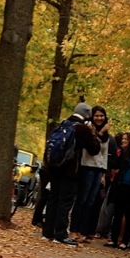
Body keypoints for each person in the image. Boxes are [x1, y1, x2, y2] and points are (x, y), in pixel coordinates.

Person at [42, 102, 99, 245]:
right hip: (70, 170)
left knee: (53, 199)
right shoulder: (81, 129)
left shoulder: (63, 124)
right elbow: (94, 149)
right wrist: (93, 133)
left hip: (54, 167)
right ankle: (60, 234)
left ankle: (47, 232)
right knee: (65, 201)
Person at [70, 105, 110, 240]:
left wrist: (104, 173)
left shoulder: (106, 134)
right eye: (96, 115)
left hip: (98, 169)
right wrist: (99, 134)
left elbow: (104, 154)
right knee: (81, 200)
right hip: (86, 166)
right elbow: (92, 148)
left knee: (90, 202)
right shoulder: (87, 129)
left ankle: (82, 231)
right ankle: (73, 229)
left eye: (101, 116)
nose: (99, 118)